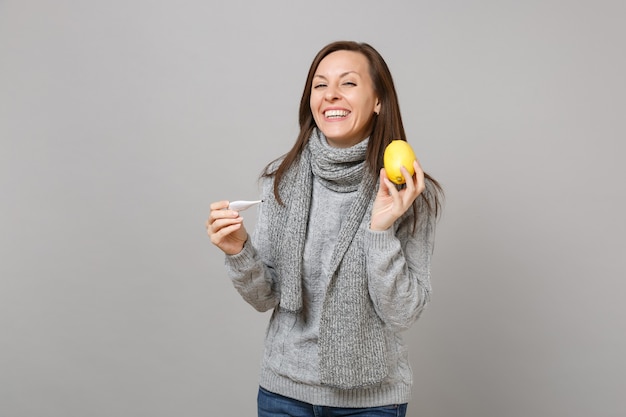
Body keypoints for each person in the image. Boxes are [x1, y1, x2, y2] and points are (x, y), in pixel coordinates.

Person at [206, 40, 443, 417]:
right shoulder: (280, 180)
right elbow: (265, 297)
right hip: (283, 394)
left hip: (371, 403)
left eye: (348, 83)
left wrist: (380, 230)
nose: (331, 94)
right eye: (320, 85)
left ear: (379, 100)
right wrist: (239, 251)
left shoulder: (409, 191)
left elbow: (404, 312)